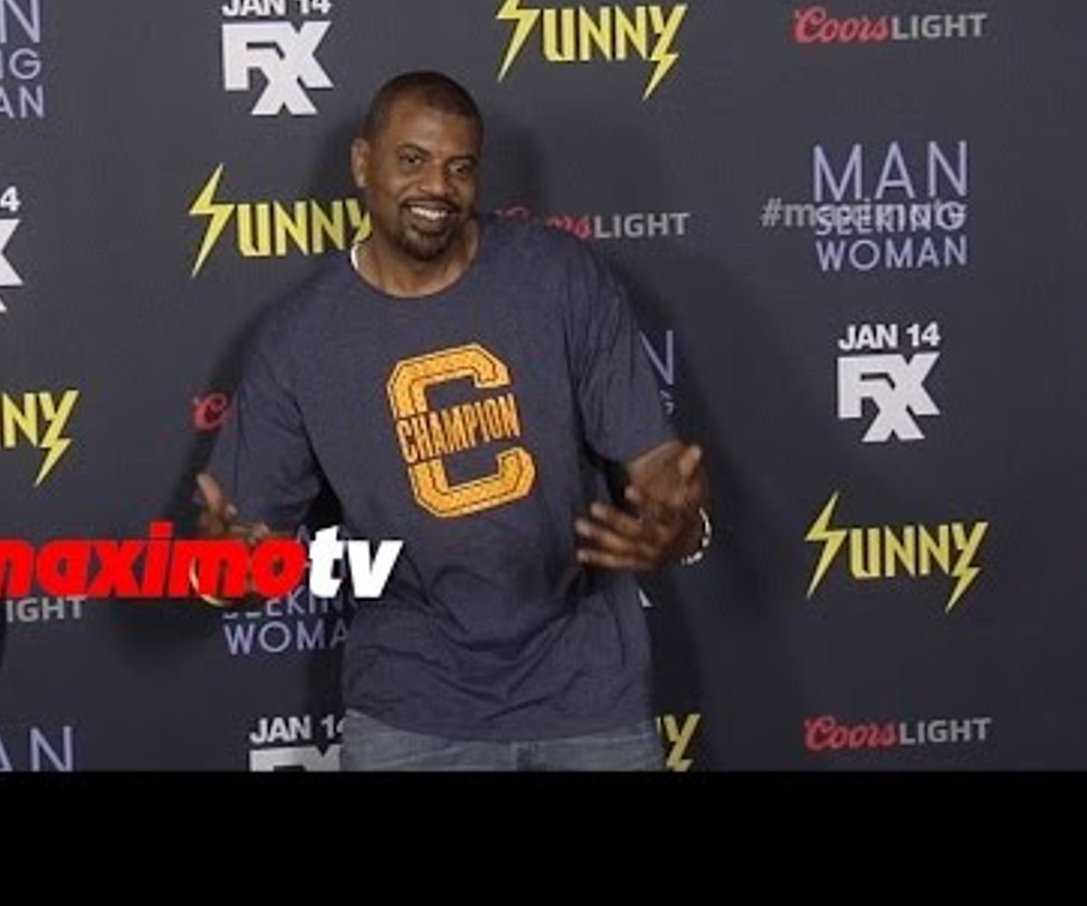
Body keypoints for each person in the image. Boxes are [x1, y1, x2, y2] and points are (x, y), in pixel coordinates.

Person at [197, 70, 710, 771]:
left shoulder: (560, 277)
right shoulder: (299, 339)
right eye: (412, 160)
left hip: (587, 691)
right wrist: (223, 569)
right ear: (362, 164)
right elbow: (249, 558)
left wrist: (679, 524)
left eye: (460, 167)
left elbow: (656, 468)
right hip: (410, 706)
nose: (437, 187)